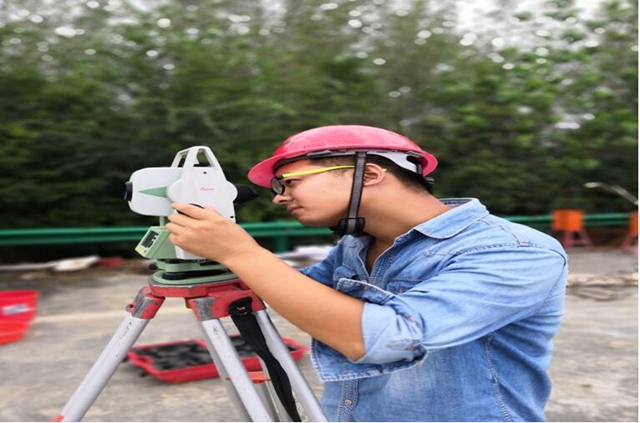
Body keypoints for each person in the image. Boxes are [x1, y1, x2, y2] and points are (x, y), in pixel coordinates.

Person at [165, 125, 568, 422]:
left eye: (288, 182)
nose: (279, 197)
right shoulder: (359, 243)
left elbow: (388, 338)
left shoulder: (515, 251)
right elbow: (298, 289)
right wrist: (223, 258)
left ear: (370, 173)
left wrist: (241, 252)